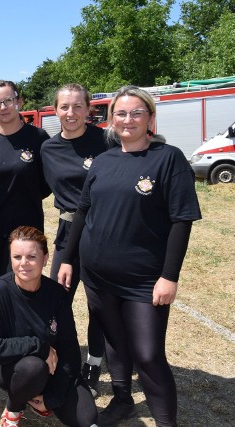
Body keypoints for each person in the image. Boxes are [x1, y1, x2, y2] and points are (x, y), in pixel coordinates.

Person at [58, 85, 202, 427]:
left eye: (137, 112)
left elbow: (182, 220)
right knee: (113, 345)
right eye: (121, 113)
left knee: (149, 355)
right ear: (110, 120)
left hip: (145, 279)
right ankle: (122, 400)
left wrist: (169, 276)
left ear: (150, 117)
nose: (128, 119)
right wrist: (67, 258)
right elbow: (82, 211)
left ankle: (167, 422)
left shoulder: (169, 159)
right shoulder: (104, 161)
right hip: (98, 275)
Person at [0, 226, 98, 427]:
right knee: (33, 367)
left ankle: (37, 399)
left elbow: (69, 347)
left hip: (52, 369)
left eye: (31, 257)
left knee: (87, 418)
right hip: (13, 368)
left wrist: (52, 398)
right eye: (17, 257)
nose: (23, 263)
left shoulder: (56, 294)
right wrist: (39, 347)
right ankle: (14, 408)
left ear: (45, 258)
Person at [41, 84, 111, 397]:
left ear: (88, 109)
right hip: (67, 235)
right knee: (57, 303)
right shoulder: (48, 149)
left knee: (100, 306)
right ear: (55, 110)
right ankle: (62, 362)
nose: (70, 113)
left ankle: (94, 364)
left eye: (77, 106)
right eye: (64, 107)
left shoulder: (105, 141)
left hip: (102, 233)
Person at [0, 80, 51, 277]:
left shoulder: (38, 137)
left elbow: (46, 184)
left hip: (28, 228)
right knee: (2, 283)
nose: (3, 107)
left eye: (8, 100)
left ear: (20, 101)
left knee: (25, 283)